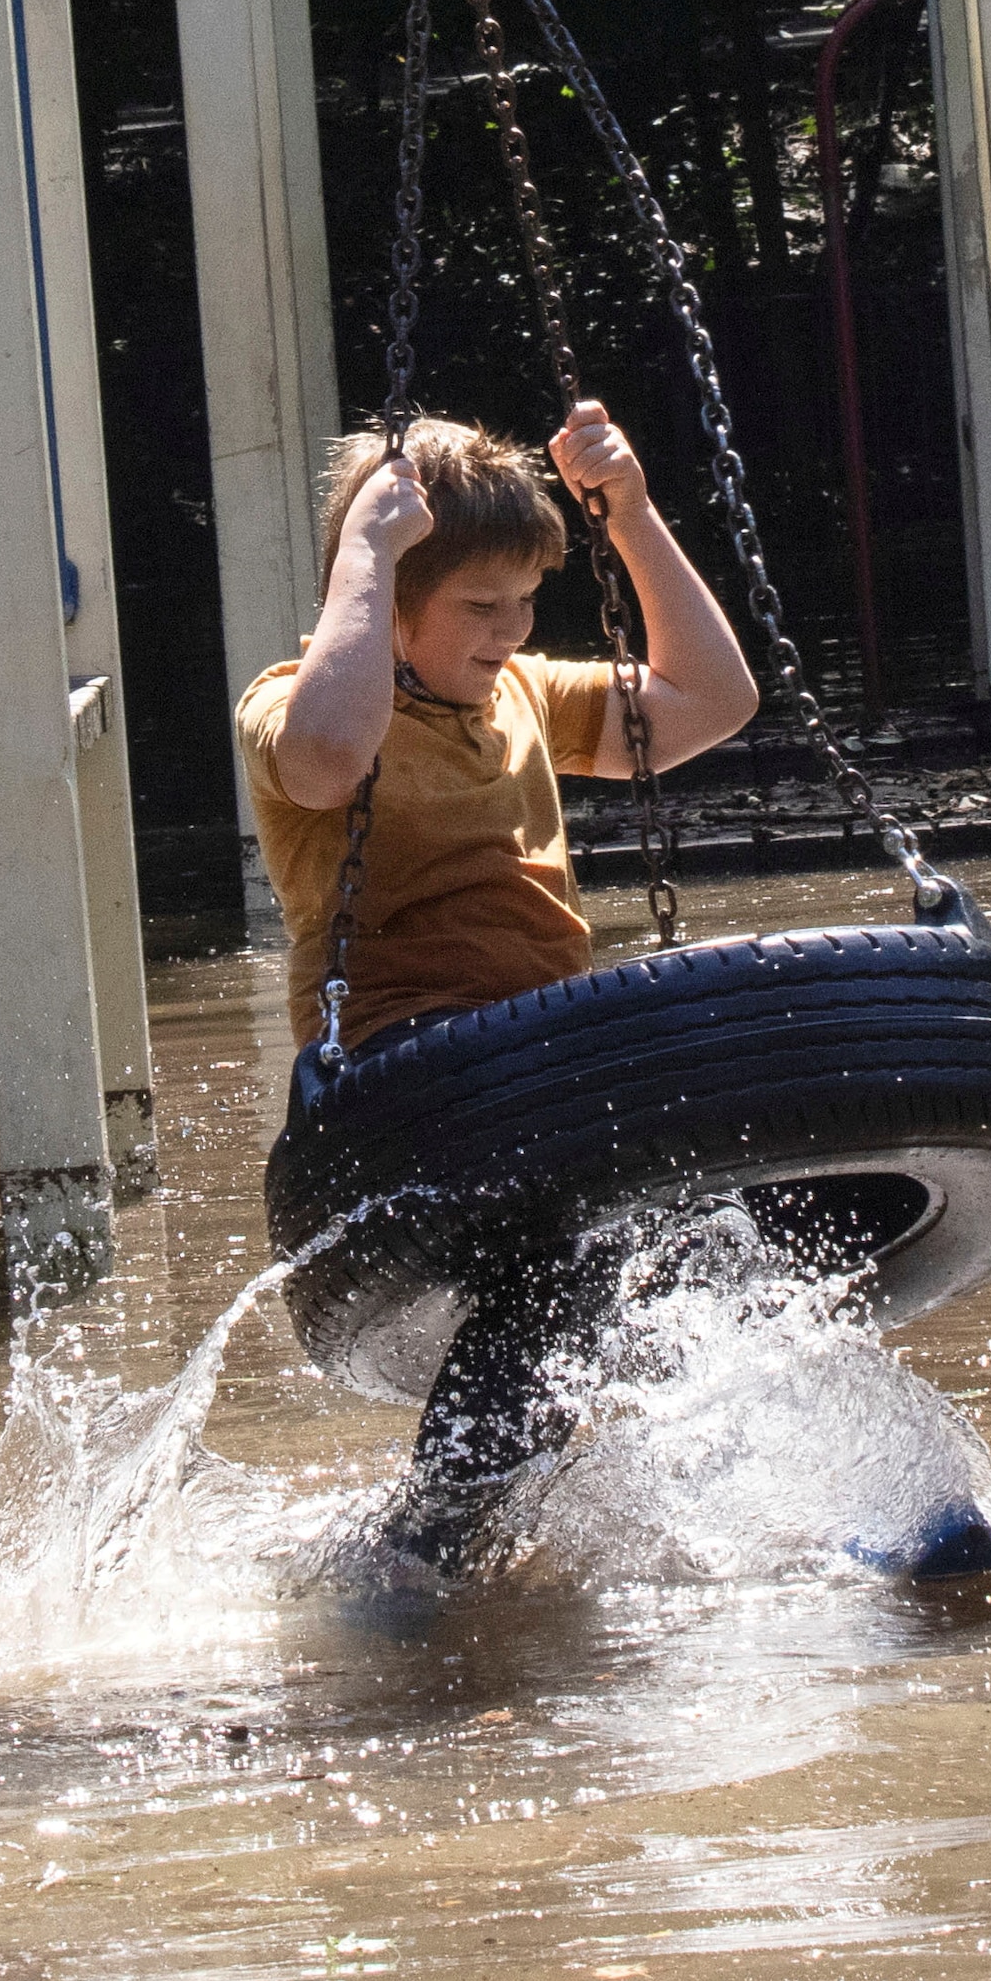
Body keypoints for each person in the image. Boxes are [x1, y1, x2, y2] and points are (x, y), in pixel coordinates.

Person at [236, 404, 763, 1572]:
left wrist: (628, 516)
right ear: (388, 599)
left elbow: (711, 703)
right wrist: (364, 552)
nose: (510, 627)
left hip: (539, 1071)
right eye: (478, 605)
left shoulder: (520, 692)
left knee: (648, 1259)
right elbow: (325, 756)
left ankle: (517, 1535)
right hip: (407, 1084)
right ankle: (428, 1548)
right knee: (547, 1267)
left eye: (524, 598)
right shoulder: (294, 702)